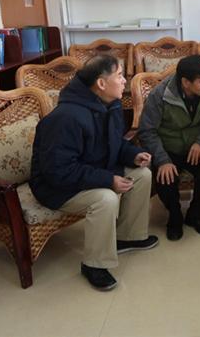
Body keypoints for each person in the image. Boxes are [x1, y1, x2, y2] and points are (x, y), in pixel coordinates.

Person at [30, 55, 158, 291]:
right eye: (119, 75)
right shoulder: (66, 118)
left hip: (91, 170)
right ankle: (94, 265)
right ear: (101, 83)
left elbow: (114, 144)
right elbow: (58, 171)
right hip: (56, 187)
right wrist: (108, 180)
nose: (124, 80)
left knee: (141, 175)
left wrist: (132, 154)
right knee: (105, 199)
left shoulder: (110, 105)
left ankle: (127, 236)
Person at [137, 54, 200, 241]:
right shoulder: (160, 95)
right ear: (186, 82)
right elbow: (147, 131)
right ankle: (175, 216)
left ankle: (197, 216)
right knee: (165, 179)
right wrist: (162, 160)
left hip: (197, 147)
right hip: (168, 148)